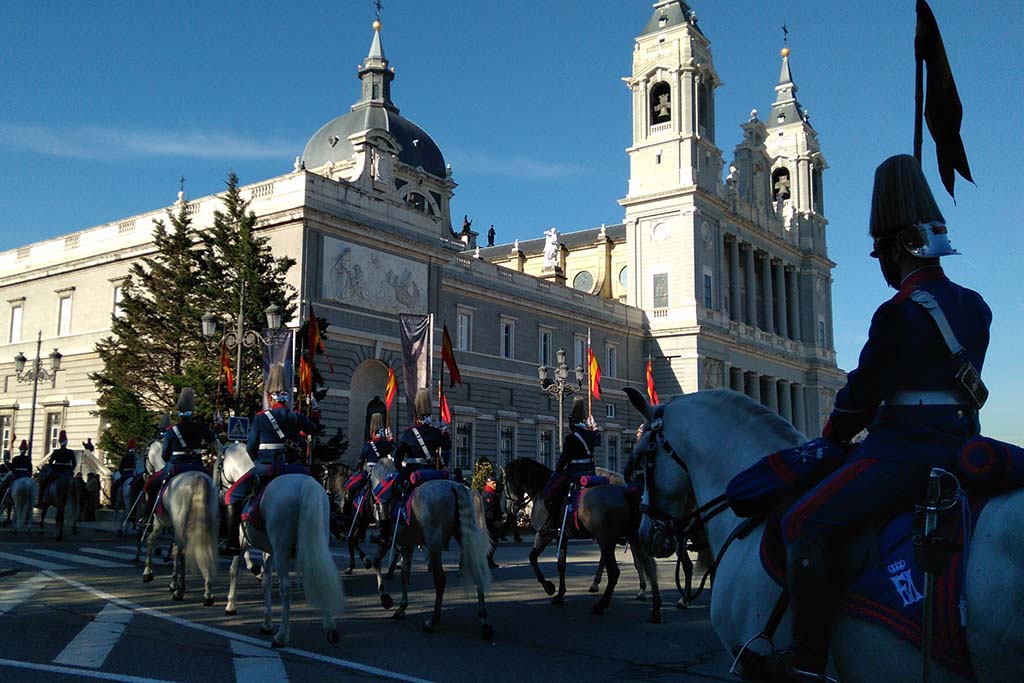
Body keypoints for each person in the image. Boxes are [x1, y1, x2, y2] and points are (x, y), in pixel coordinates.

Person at [764, 155, 992, 681]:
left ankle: (806, 660)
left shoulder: (897, 311)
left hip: (902, 454)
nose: (879, 265)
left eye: (879, 253)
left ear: (895, 249)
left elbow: (859, 399)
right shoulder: (977, 306)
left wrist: (833, 436)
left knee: (804, 522)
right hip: (961, 446)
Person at [221, 364, 317, 556]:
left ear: (269, 396)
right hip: (294, 469)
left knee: (232, 494)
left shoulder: (261, 418)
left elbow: (250, 447)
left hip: (268, 468)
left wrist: (258, 462)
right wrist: (313, 411)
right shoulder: (295, 416)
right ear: (286, 396)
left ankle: (231, 541)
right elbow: (313, 429)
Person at [381, 388, 451, 543]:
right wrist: (445, 435)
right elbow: (447, 450)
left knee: (390, 493)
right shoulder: (436, 432)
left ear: (415, 414)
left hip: (412, 472)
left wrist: (399, 468)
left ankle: (385, 531)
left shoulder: (409, 433)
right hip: (432, 472)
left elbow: (398, 457)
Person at [142, 388, 214, 523]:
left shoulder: (172, 430)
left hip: (176, 467)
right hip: (197, 467)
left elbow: (164, 454)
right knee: (213, 487)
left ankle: (147, 517)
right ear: (192, 413)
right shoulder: (199, 428)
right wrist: (216, 426)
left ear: (179, 414)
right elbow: (212, 438)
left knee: (151, 485)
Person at [541, 396, 600, 533]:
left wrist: (557, 469)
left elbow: (564, 459)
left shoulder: (571, 438)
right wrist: (595, 427)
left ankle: (553, 523)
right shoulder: (591, 435)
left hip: (573, 474)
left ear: (572, 423)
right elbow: (598, 440)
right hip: (591, 473)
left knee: (549, 493)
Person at [36, 430, 76, 508]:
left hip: (57, 472)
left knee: (45, 483)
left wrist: (54, 467)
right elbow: (74, 464)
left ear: (59, 442)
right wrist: (70, 469)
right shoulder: (70, 452)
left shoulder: (56, 451)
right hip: (67, 473)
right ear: (66, 442)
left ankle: (41, 500)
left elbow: (50, 462)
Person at [482, 476, 502, 568]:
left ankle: (489, 560)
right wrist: (496, 521)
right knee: (492, 542)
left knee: (492, 542)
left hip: (492, 521)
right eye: (493, 483)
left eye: (495, 483)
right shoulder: (488, 495)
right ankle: (488, 561)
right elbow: (488, 510)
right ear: (487, 483)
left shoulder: (492, 494)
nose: (495, 485)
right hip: (490, 522)